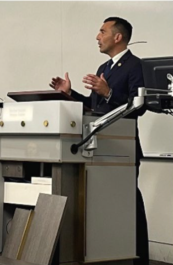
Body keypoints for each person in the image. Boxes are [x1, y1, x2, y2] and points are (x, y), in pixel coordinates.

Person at [50, 17, 148, 265]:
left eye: (102, 31)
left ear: (118, 37)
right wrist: (70, 94)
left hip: (122, 148)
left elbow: (139, 108)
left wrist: (110, 92)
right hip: (99, 146)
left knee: (128, 206)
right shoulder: (103, 67)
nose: (97, 36)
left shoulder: (135, 65)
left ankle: (138, 259)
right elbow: (96, 108)